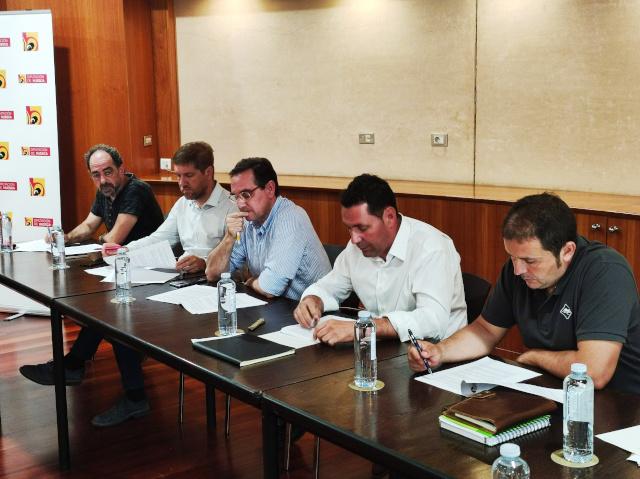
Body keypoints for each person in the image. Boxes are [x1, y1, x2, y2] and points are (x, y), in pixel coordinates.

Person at [408, 192, 640, 394]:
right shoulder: (518, 270)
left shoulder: (605, 271)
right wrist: (440, 351)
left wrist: (535, 356)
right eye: (513, 257)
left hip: (620, 404)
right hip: (551, 391)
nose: (518, 270)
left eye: (530, 261)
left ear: (567, 251)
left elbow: (594, 372)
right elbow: (485, 331)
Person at [20, 143, 165, 426]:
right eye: (96, 175)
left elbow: (113, 238)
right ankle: (76, 366)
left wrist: (89, 245)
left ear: (121, 169)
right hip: (125, 270)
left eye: (108, 172)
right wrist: (64, 238)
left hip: (151, 272)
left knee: (111, 312)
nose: (102, 180)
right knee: (102, 308)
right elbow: (88, 226)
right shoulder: (105, 191)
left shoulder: (136, 190)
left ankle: (124, 391)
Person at [294, 174, 467, 345]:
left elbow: (432, 321)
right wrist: (314, 299)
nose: (354, 239)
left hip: (440, 353)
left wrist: (363, 328)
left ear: (389, 217)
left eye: (362, 228)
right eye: (349, 229)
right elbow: (329, 287)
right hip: (385, 349)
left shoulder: (431, 247)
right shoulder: (356, 248)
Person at [205, 157, 331, 300]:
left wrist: (251, 282)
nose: (240, 204)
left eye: (246, 194)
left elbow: (270, 287)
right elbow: (212, 274)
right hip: (278, 305)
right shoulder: (247, 221)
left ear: (270, 189)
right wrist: (229, 237)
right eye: (236, 196)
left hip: (313, 309)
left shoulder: (291, 218)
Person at [109, 141, 236, 275]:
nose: (182, 183)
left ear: (208, 172)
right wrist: (124, 250)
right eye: (178, 176)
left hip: (215, 278)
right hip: (184, 276)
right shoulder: (182, 204)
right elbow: (158, 239)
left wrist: (204, 263)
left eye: (189, 175)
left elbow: (240, 261)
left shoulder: (231, 207)